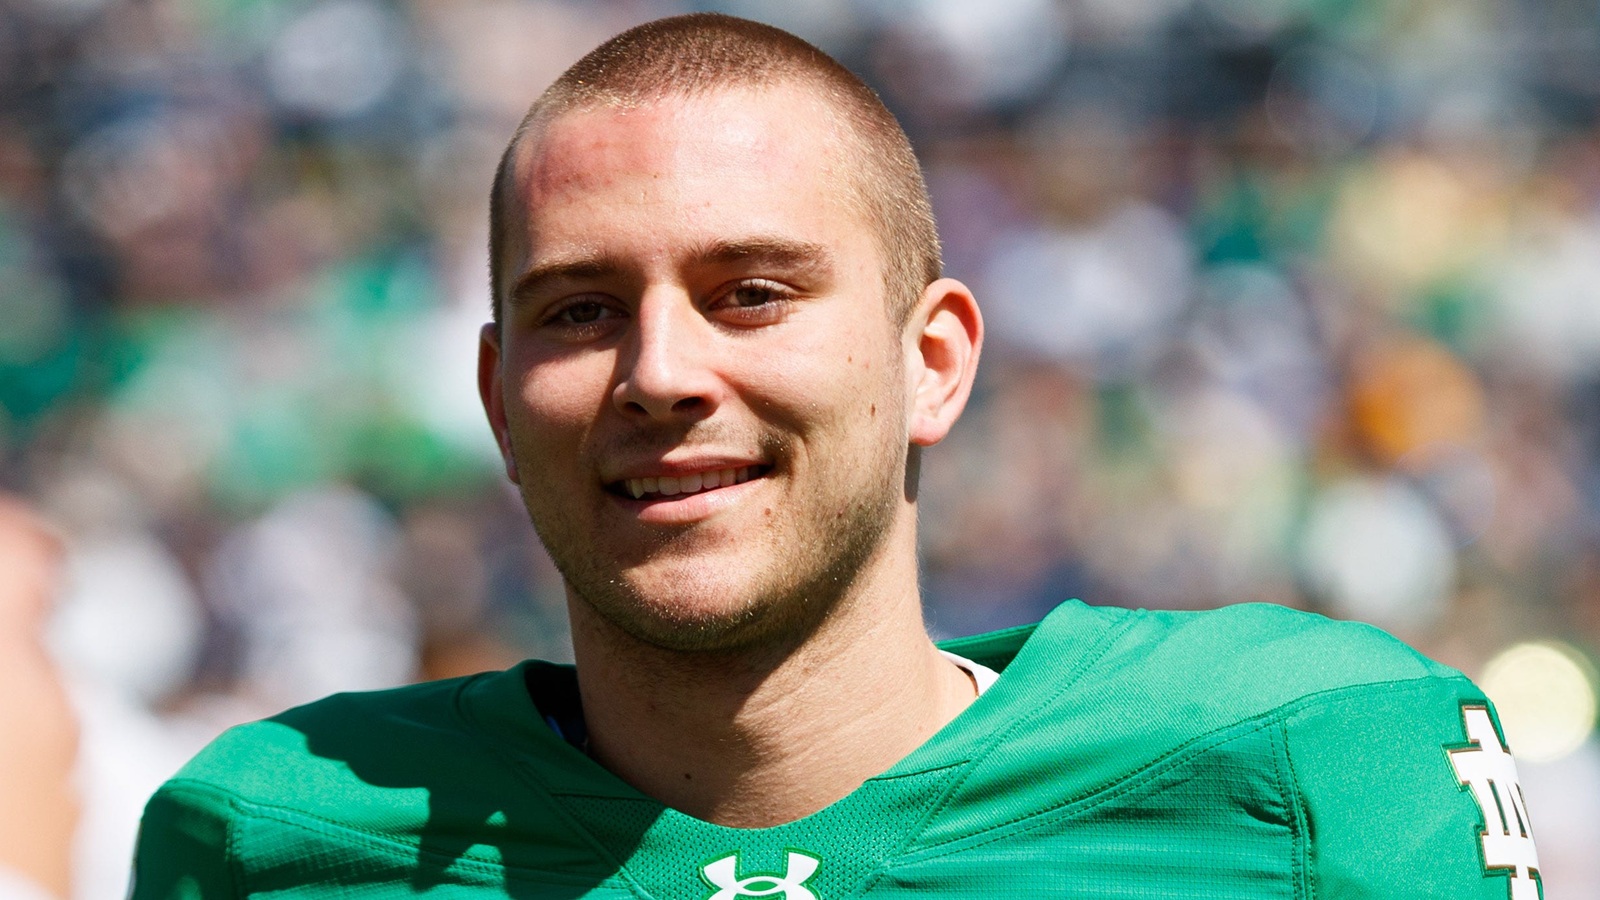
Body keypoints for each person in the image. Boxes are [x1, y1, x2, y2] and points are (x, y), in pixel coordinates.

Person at [131, 13, 1540, 899]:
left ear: (931, 360)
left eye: (752, 292)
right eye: (582, 310)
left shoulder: (1306, 760)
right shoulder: (272, 837)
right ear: (500, 400)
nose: (665, 372)